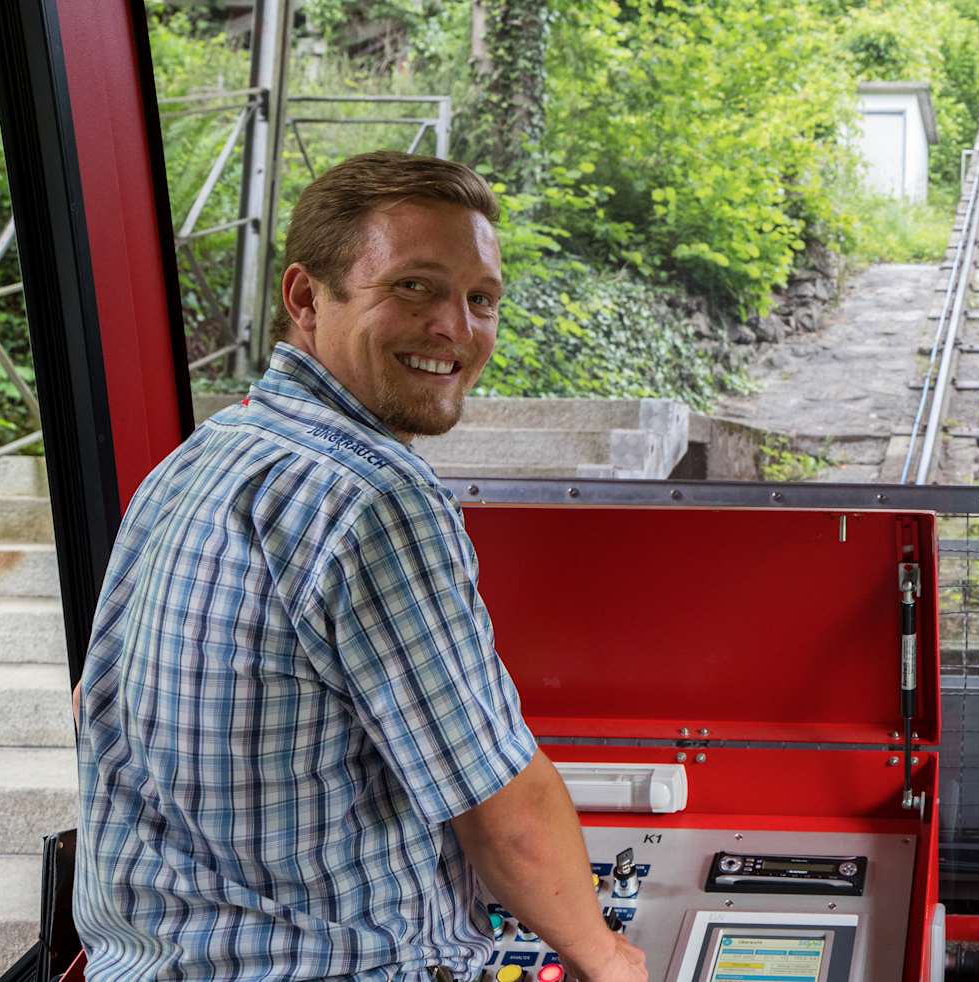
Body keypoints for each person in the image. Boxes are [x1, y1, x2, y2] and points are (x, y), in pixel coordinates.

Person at [71, 150, 647, 982]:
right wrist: (609, 955)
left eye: (481, 299)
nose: (456, 326)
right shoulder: (374, 499)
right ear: (307, 298)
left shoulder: (201, 459)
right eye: (414, 286)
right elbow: (503, 812)